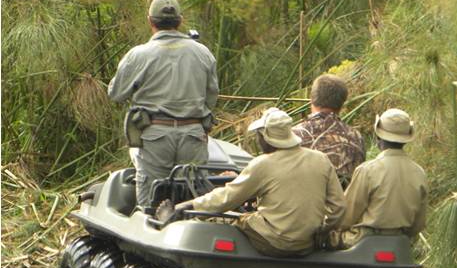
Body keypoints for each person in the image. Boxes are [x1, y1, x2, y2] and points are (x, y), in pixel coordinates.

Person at [158, 108, 346, 257]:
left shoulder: (263, 164)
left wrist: (187, 205)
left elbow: (227, 198)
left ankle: (172, 221)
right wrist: (320, 231)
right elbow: (338, 207)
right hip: (306, 243)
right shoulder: (320, 160)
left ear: (266, 138)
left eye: (258, 136)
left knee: (223, 218)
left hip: (274, 242)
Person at [108, 0, 219, 208]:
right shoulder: (203, 53)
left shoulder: (138, 55)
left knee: (151, 203)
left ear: (150, 21)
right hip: (193, 136)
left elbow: (116, 93)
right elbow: (212, 95)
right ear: (180, 21)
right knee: (194, 203)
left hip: (155, 137)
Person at [329, 108, 428, 249]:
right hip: (400, 244)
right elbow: (418, 224)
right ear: (405, 140)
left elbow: (347, 216)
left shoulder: (367, 170)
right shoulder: (419, 173)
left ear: (378, 138)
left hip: (363, 241)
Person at [292, 74, 365, 187]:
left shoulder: (293, 135)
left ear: (311, 99)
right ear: (342, 104)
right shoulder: (355, 137)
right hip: (343, 202)